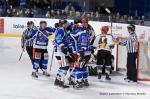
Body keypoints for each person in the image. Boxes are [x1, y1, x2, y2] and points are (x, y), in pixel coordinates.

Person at [54, 19, 70, 88]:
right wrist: (62, 46)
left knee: (61, 67)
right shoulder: (61, 30)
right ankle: (61, 82)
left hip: (60, 52)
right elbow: (58, 39)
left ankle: (57, 80)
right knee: (65, 67)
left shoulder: (62, 30)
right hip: (61, 52)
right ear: (64, 24)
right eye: (66, 23)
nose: (67, 24)